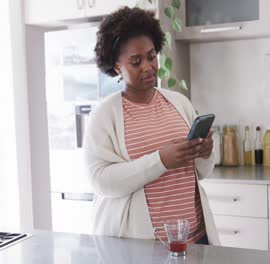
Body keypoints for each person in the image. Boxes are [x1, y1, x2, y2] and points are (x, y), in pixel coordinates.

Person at [83, 6, 218, 245]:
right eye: (136, 62)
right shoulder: (104, 115)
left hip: (196, 240)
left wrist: (205, 153)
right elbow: (101, 181)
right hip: (142, 247)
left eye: (151, 56)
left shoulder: (179, 102)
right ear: (117, 67)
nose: (147, 66)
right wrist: (161, 161)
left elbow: (201, 173)